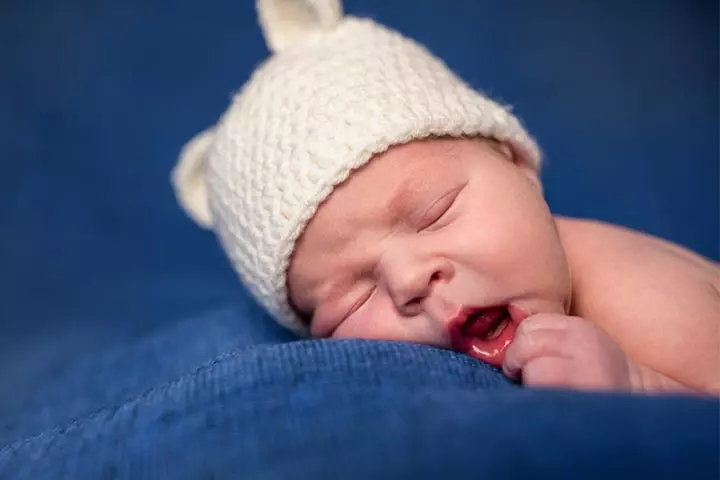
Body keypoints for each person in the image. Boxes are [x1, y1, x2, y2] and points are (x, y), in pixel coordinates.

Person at [172, 0, 719, 394]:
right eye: (350, 301)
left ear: (519, 168)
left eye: (434, 214)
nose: (409, 279)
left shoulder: (639, 296)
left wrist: (637, 383)